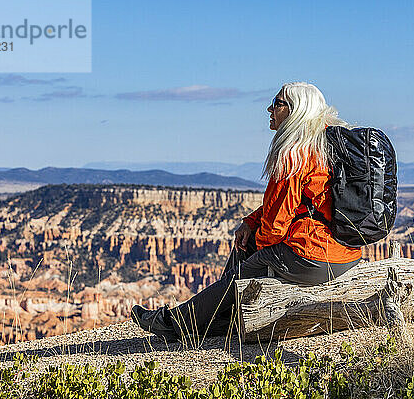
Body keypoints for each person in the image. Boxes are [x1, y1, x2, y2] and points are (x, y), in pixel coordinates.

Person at [131, 82, 362, 341]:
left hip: (313, 256)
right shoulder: (326, 145)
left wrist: (257, 251)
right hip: (346, 253)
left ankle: (174, 324)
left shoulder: (295, 153)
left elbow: (275, 223)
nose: (270, 108)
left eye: (277, 103)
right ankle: (217, 318)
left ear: (296, 110)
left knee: (240, 275)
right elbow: (298, 203)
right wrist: (251, 223)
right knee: (246, 254)